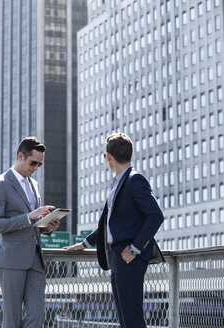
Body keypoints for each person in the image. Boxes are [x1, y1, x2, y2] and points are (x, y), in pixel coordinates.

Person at [64, 132, 164, 328]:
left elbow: (156, 215)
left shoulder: (134, 180)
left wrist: (135, 248)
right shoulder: (120, 182)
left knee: (132, 319)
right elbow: (108, 223)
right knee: (125, 319)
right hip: (118, 256)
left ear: (109, 156)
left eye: (104, 156)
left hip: (129, 256)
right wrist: (85, 243)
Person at [0, 136, 60, 328]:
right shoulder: (0, 183)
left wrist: (46, 226)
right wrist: (29, 217)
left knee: (37, 314)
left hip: (35, 258)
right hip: (11, 259)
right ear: (20, 156)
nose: (35, 168)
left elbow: (33, 224)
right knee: (12, 320)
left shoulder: (34, 185)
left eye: (39, 165)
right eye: (33, 163)